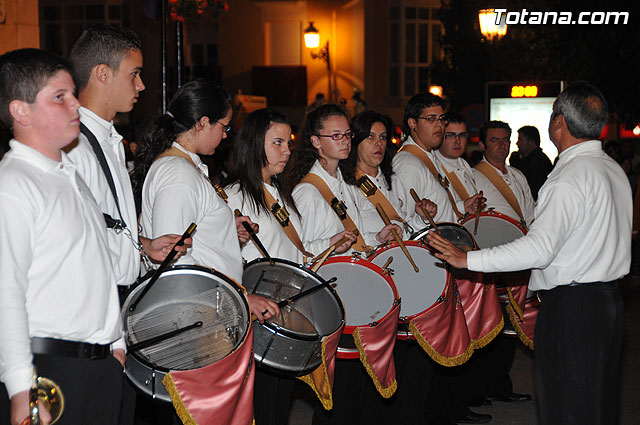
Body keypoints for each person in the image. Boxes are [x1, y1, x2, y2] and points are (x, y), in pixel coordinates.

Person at [428, 81, 631, 425]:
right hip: (609, 303)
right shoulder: (612, 169)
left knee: (566, 406)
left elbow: (539, 248)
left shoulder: (568, 177)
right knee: (598, 404)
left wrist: (467, 260)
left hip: (574, 308)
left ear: (559, 123)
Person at [66, 25, 188, 424]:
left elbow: (104, 220)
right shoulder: (75, 145)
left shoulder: (108, 139)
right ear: (102, 74)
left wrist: (144, 245)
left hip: (117, 307)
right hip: (94, 315)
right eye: (133, 73)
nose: (142, 84)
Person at [0, 48, 124, 425]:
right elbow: (6, 291)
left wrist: (115, 343)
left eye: (73, 93)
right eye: (60, 97)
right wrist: (22, 387)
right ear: (20, 111)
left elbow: (95, 266)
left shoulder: (67, 173)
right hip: (51, 369)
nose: (75, 105)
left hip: (97, 367)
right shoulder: (14, 184)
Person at [225, 108, 308, 425]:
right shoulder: (236, 196)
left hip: (288, 309)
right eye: (278, 143)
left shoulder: (280, 193)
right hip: (261, 313)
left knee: (279, 401)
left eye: (289, 143)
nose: (287, 151)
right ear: (254, 144)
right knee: (262, 403)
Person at [392, 93, 482, 223]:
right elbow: (404, 223)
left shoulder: (430, 156)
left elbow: (440, 209)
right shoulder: (407, 164)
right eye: (431, 119)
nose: (439, 124)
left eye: (441, 118)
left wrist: (462, 207)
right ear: (413, 123)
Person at [474, 121, 535, 228]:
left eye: (505, 140)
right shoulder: (474, 176)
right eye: (494, 140)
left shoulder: (518, 175)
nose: (501, 145)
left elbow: (531, 213)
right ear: (482, 145)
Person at [514, 125, 553, 200]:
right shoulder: (532, 160)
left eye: (520, 140)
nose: (517, 143)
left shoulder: (538, 163)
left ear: (530, 142)